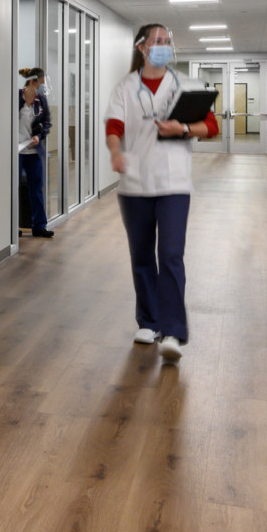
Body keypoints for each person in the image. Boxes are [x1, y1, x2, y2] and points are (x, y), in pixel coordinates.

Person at [104, 24, 219, 363]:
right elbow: (115, 126)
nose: (164, 46)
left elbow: (211, 127)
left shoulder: (187, 84)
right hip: (135, 184)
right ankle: (148, 323)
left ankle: (172, 330)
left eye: (168, 42)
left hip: (174, 183)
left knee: (170, 253)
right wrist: (115, 152)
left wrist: (182, 128)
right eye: (157, 42)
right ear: (141, 47)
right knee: (141, 256)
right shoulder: (125, 87)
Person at [18, 73, 53, 238]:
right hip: (16, 152)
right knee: (12, 189)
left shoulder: (41, 101)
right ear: (32, 82)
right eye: (41, 83)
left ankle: (39, 226)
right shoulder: (16, 97)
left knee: (36, 189)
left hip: (33, 152)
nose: (43, 86)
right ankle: (11, 227)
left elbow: (46, 122)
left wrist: (39, 136)